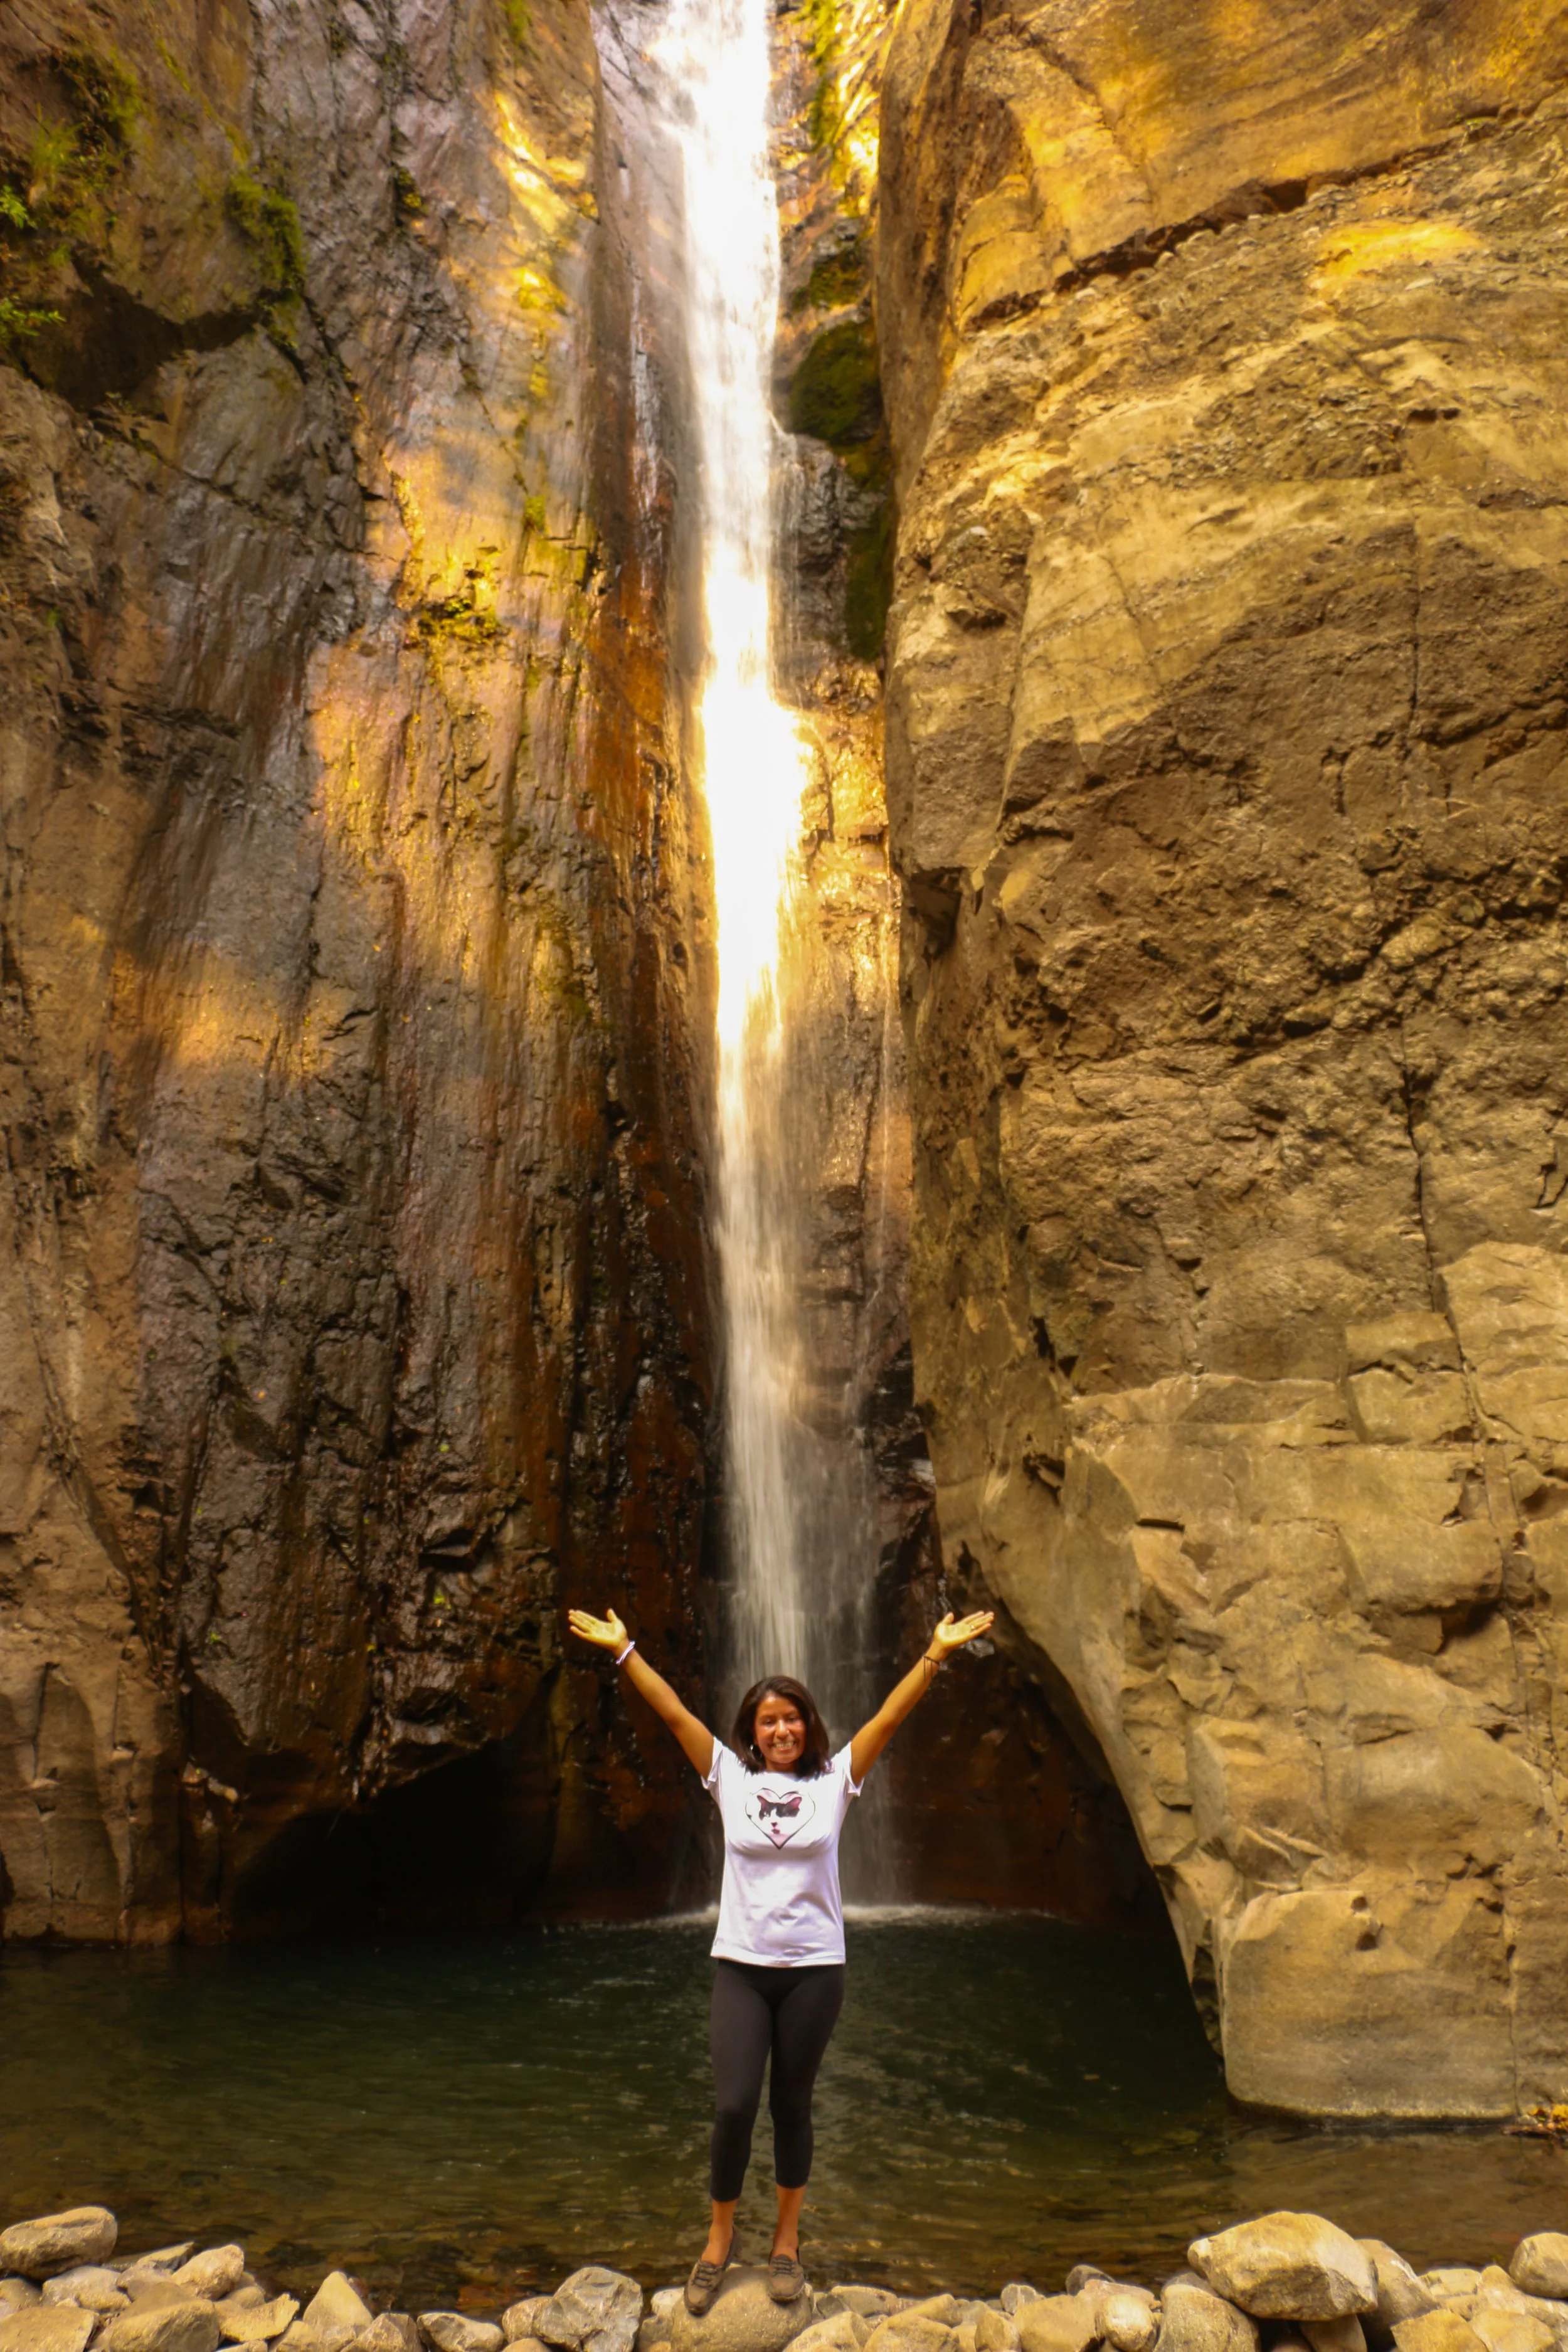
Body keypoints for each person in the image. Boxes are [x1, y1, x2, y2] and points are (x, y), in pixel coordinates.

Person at [566, 1602, 995, 2314]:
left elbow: (888, 1718)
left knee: (791, 2107)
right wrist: (624, 1650)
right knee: (734, 2107)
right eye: (768, 1721)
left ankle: (787, 2244)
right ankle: (718, 2239)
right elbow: (673, 1715)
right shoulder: (729, 1777)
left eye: (791, 1719)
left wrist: (936, 1653)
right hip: (740, 1965)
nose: (781, 1730)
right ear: (752, 1732)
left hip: (815, 1972)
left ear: (808, 1726)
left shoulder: (835, 1782)